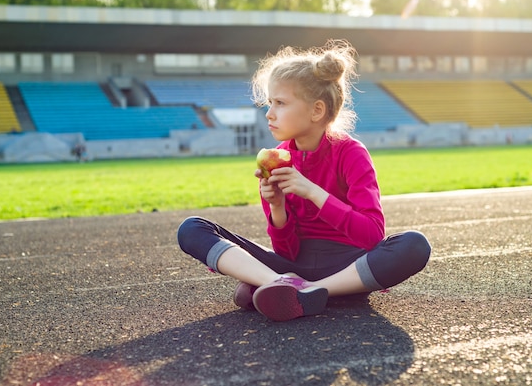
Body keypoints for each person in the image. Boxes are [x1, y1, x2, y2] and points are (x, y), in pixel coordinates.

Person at [177, 39, 431, 322]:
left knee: (414, 245)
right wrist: (277, 209)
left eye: (280, 103)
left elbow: (371, 235)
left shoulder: (352, 154)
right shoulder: (276, 159)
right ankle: (282, 285)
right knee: (192, 229)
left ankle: (305, 289)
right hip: (291, 265)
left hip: (346, 267)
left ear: (317, 111)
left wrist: (313, 192)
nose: (269, 113)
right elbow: (286, 251)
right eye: (269, 103)